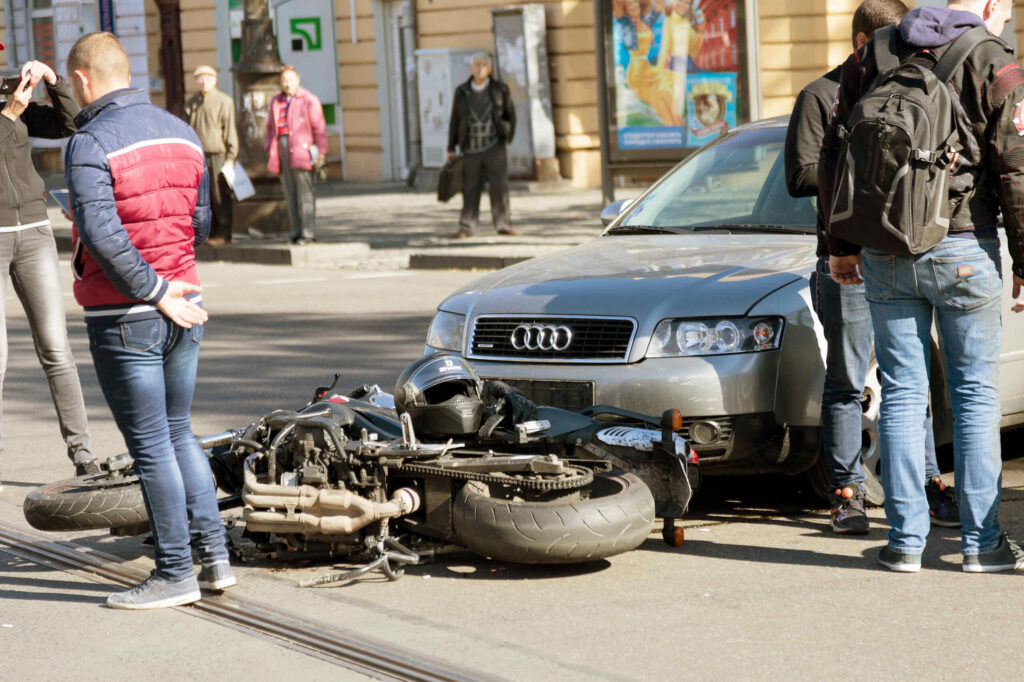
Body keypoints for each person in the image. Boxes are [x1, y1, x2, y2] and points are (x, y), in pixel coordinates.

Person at [821, 0, 1024, 572]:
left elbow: (836, 152)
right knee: (975, 396)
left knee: (904, 393)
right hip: (964, 244)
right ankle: (981, 546)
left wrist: (842, 247)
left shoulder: (873, 54)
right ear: (987, 6)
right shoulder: (994, 61)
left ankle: (905, 542)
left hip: (886, 248)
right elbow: (1017, 168)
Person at [64, 32, 234, 607]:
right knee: (179, 431)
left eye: (70, 83)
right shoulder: (182, 132)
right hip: (187, 300)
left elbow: (101, 234)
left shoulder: (89, 142)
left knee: (152, 446)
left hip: (127, 310)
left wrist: (152, 289)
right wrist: (170, 280)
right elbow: (202, 222)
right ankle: (214, 558)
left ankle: (173, 573)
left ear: (84, 79)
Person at [785, 0, 958, 535]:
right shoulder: (822, 94)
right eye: (890, 43)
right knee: (846, 381)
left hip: (907, 256)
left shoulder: (921, 89)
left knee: (909, 380)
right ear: (862, 42)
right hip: (847, 262)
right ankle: (847, 491)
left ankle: (928, 483)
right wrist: (872, 171)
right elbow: (802, 176)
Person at [0, 48, 98, 491]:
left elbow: (72, 124)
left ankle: (84, 456)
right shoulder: (9, 108)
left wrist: (53, 80)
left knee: (57, 349)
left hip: (36, 231)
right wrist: (8, 117)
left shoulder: (11, 97)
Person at [446, 53, 517, 238]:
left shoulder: (500, 89)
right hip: (470, 148)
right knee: (470, 188)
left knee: (499, 187)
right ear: (470, 68)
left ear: (490, 69)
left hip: (495, 147)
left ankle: (503, 224)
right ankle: (466, 227)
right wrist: (451, 148)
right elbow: (455, 120)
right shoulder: (462, 92)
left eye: (484, 64)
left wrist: (506, 137)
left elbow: (511, 116)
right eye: (476, 64)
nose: (480, 68)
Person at [264, 65, 326, 246]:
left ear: (297, 80)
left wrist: (321, 152)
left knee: (305, 193)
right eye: (284, 80)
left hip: (302, 151)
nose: (287, 84)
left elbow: (319, 128)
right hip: (282, 151)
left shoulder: (308, 99)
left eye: (290, 80)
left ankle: (308, 232)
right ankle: (295, 231)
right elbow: (269, 128)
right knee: (290, 194)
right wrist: (270, 148)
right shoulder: (277, 101)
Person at [183, 65, 237, 247]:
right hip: (199, 157)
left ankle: (224, 233)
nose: (204, 82)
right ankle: (209, 232)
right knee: (204, 199)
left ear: (215, 80)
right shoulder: (191, 103)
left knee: (220, 196)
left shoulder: (224, 101)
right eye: (200, 78)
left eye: (208, 78)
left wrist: (230, 158)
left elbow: (230, 131)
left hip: (218, 155)